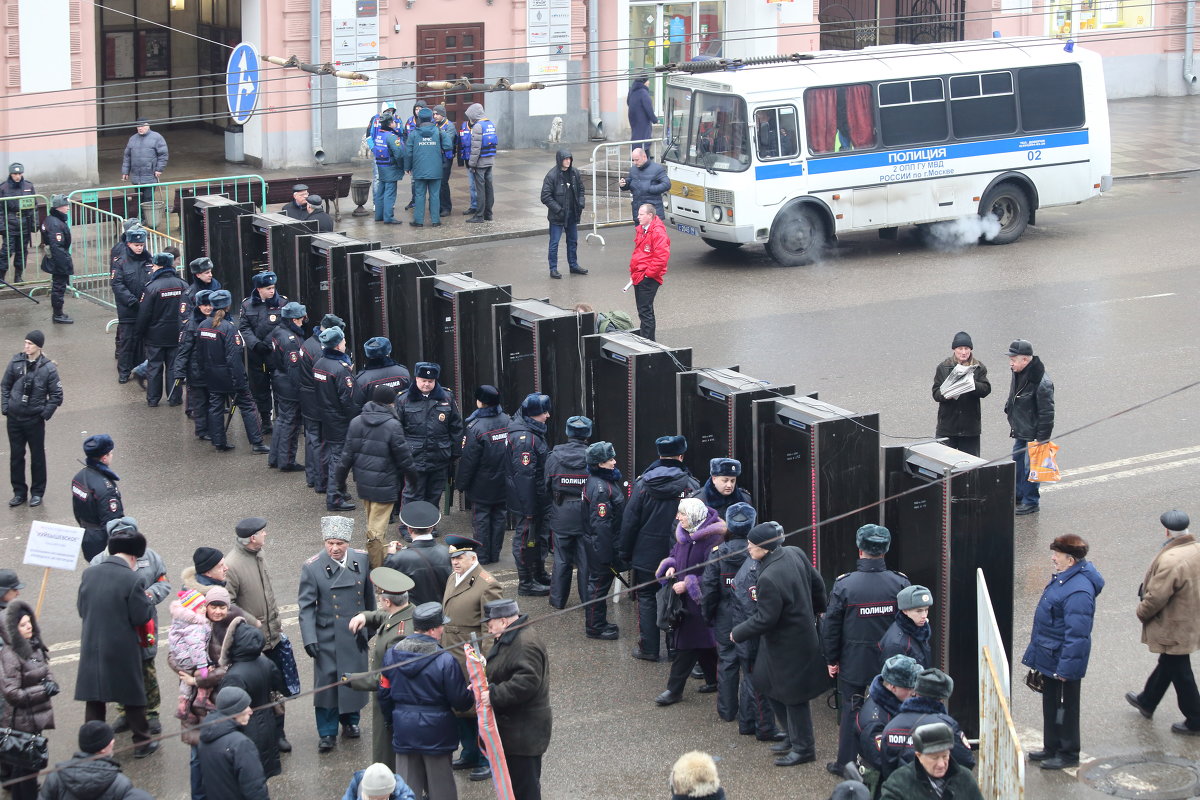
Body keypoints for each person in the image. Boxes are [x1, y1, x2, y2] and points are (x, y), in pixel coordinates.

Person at [730, 522, 828, 767]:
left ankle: (804, 748)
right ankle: (791, 737)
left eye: (752, 546)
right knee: (764, 682)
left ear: (765, 548)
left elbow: (765, 618)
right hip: (792, 639)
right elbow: (818, 584)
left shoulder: (769, 578)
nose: (748, 549)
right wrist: (816, 611)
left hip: (789, 645)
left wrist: (738, 633)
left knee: (794, 697)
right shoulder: (795, 552)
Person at [823, 524, 910, 775]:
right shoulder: (900, 583)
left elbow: (832, 627)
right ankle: (890, 760)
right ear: (885, 550)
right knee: (893, 708)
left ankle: (846, 764)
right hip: (891, 662)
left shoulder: (845, 585)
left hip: (854, 661)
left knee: (852, 710)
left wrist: (832, 659)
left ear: (860, 550)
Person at [1019, 533, 1104, 769]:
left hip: (1062, 662)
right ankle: (1052, 747)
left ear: (1071, 560)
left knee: (1064, 708)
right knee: (1051, 704)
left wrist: (1066, 669)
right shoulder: (1066, 579)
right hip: (1051, 656)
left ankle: (1068, 753)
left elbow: (1077, 636)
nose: (1053, 558)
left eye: (1056, 555)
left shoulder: (1078, 591)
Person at [74, 525, 158, 758]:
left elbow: (82, 609)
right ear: (133, 556)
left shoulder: (89, 573)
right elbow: (140, 616)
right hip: (122, 648)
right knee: (132, 695)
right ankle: (142, 742)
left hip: (92, 644)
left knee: (95, 697)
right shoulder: (132, 579)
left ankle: (94, 748)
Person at [379, 601, 473, 800]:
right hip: (437, 734)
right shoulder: (445, 660)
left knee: (406, 789)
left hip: (404, 730)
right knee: (442, 790)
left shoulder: (391, 655)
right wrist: (472, 692)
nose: (442, 630)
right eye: (441, 626)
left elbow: (384, 694)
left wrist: (393, 720)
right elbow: (460, 701)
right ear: (432, 630)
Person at [89, 517, 172, 738]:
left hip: (145, 624)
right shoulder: (99, 561)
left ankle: (152, 713)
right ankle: (125, 711)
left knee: (146, 668)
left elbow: (163, 583)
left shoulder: (151, 556)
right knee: (120, 671)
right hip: (116, 628)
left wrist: (149, 596)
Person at [619, 434, 700, 661]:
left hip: (646, 554)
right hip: (681, 554)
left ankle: (649, 648)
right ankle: (675, 648)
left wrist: (624, 553)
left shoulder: (643, 484)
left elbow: (630, 521)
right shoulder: (691, 485)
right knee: (676, 597)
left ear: (660, 455)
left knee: (646, 597)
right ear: (681, 456)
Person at [299, 516, 374, 753]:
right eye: (330, 543)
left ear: (347, 543)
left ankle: (351, 722)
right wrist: (309, 638)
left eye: (339, 543)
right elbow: (307, 607)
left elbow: (369, 598)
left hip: (354, 635)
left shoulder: (361, 559)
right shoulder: (312, 567)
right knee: (327, 686)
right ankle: (327, 732)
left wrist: (369, 628)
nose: (334, 548)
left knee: (352, 681)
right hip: (326, 637)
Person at [1127, 509, 1200, 736]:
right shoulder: (1195, 548)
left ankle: (1195, 718)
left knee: (1180, 669)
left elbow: (1157, 596)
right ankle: (1147, 700)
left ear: (1167, 530)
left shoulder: (1171, 559)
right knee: (1169, 661)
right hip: (1190, 619)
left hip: (1173, 624)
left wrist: (1142, 612)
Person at [225, 516, 293, 752]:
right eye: (263, 533)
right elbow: (228, 605)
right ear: (252, 538)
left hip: (272, 637)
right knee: (258, 694)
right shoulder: (231, 565)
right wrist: (253, 622)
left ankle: (279, 733)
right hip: (254, 644)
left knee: (276, 690)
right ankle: (262, 737)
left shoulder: (259, 554)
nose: (266, 535)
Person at [336, 384, 419, 568]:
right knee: (376, 532)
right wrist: (413, 480)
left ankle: (378, 560)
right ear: (391, 403)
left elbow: (345, 457)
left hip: (364, 485)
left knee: (372, 526)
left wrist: (339, 484)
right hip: (386, 485)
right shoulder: (393, 425)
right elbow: (404, 458)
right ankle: (377, 571)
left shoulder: (356, 422)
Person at [440, 534, 501, 781]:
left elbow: (490, 625)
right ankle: (469, 752)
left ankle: (487, 759)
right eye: (453, 557)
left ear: (472, 558)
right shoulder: (453, 577)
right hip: (451, 650)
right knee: (459, 707)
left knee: (478, 710)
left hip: (471, 655)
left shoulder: (487, 584)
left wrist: (484, 658)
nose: (455, 562)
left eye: (460, 557)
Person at [654, 498, 726, 705]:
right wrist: (672, 566)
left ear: (693, 515)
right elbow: (675, 555)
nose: (678, 518)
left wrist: (689, 584)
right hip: (686, 602)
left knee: (686, 646)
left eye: (682, 514)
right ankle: (714, 681)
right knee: (704, 644)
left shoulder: (714, 539)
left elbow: (716, 575)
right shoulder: (685, 534)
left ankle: (674, 690)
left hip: (700, 601)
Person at [482, 598, 552, 800]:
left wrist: (493, 695)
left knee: (525, 790)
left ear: (504, 622)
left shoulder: (524, 643)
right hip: (517, 731)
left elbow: (527, 683)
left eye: (490, 624)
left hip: (524, 734)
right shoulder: (512, 636)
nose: (488, 629)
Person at [347, 567, 417, 766]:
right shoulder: (406, 612)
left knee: (387, 753)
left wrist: (351, 680)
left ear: (387, 601)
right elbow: (384, 617)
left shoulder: (400, 635)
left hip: (392, 702)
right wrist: (365, 616)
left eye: (381, 598)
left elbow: (389, 678)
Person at [700, 502, 756, 724]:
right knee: (750, 665)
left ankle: (726, 711)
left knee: (727, 662)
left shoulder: (717, 553)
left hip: (724, 615)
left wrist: (708, 615)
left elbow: (709, 588)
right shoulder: (757, 552)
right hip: (751, 616)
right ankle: (749, 714)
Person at [197, 290, 269, 454]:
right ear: (228, 306)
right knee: (248, 406)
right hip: (230, 376)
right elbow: (234, 358)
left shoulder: (203, 325)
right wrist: (241, 381)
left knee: (215, 406)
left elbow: (199, 354)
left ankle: (219, 441)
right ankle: (257, 443)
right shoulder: (228, 328)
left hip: (212, 375)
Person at [0, 599, 56, 800]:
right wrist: (43, 691)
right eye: (23, 624)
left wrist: (50, 682)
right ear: (13, 629)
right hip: (21, 722)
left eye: (29, 622)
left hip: (34, 719)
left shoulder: (35, 646)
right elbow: (12, 693)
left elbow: (44, 670)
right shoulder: (10, 654)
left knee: (29, 769)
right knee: (24, 770)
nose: (29, 626)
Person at [218, 617, 285, 780]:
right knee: (264, 773)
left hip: (248, 729)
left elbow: (228, 710)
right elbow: (279, 684)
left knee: (250, 777)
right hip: (269, 723)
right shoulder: (265, 661)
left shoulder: (234, 675)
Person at [3, 330, 63, 508]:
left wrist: (44, 414)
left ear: (39, 346)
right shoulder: (16, 362)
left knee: (37, 456)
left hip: (33, 419)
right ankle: (19, 492)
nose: (26, 346)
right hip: (14, 418)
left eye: (30, 343)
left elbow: (57, 395)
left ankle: (37, 492)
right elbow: (5, 385)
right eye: (25, 342)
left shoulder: (48, 368)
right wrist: (6, 407)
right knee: (16, 456)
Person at [879, 668, 975, 779]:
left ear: (916, 691)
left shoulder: (892, 725)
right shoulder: (947, 726)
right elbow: (966, 761)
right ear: (943, 697)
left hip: (900, 791)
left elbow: (885, 765)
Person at [455, 385, 511, 565]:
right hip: (504, 481)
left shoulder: (475, 427)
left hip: (481, 483)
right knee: (499, 517)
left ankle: (483, 556)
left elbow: (468, 460)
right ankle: (495, 553)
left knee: (481, 520)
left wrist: (461, 483)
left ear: (480, 402)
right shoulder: (508, 421)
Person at [396, 362, 462, 509]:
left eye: (430, 381)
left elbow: (456, 426)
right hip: (414, 457)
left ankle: (429, 526)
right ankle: (409, 528)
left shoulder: (447, 397)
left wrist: (454, 452)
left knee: (434, 494)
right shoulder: (403, 399)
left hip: (440, 455)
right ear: (416, 379)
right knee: (413, 495)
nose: (426, 384)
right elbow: (397, 430)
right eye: (423, 381)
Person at [855, 654, 922, 794]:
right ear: (893, 687)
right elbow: (885, 762)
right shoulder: (875, 723)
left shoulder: (891, 703)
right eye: (910, 687)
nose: (914, 692)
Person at [507, 393, 554, 595]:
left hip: (536, 499)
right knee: (526, 539)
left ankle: (538, 572)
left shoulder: (531, 431)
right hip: (529, 501)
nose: (548, 415)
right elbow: (524, 476)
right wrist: (529, 509)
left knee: (538, 537)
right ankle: (526, 583)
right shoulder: (525, 439)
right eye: (543, 412)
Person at [545, 415, 593, 607]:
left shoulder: (554, 457)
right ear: (588, 434)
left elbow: (546, 485)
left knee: (561, 559)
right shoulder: (594, 456)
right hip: (585, 513)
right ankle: (587, 601)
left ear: (567, 432)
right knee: (585, 561)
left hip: (561, 512)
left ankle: (557, 600)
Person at [39, 721, 154, 800]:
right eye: (111, 742)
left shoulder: (55, 776)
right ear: (104, 749)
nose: (113, 744)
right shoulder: (119, 782)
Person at [580, 440, 625, 640]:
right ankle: (595, 627)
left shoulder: (601, 482)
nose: (614, 462)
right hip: (602, 546)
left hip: (600, 543)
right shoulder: (600, 489)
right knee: (598, 586)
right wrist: (606, 555)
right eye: (610, 459)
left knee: (598, 585)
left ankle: (598, 622)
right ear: (600, 464)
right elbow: (602, 525)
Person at [1004, 338, 1054, 515]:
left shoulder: (1041, 382)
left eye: (1013, 359)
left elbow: (1047, 413)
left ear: (1025, 360)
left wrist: (1042, 440)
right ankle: (1018, 495)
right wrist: (1008, 407)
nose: (1011, 363)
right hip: (1021, 429)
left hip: (1033, 433)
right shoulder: (1018, 371)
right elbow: (1015, 394)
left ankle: (1031, 501)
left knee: (1030, 467)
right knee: (1017, 463)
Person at [197, 687, 270, 800]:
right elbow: (254, 788)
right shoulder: (241, 744)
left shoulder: (205, 737)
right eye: (246, 707)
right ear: (235, 711)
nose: (251, 711)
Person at [314, 326, 358, 512]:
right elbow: (348, 399)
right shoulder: (340, 370)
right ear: (338, 345)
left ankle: (340, 491)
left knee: (334, 455)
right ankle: (334, 498)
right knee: (338, 460)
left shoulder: (319, 363)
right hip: (340, 420)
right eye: (343, 341)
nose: (345, 343)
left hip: (326, 416)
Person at [136, 252, 189, 407]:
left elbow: (144, 314)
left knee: (154, 368)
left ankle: (153, 399)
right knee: (174, 367)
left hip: (155, 336)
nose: (151, 267)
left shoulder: (152, 288)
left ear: (159, 265)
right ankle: (175, 398)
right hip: (177, 334)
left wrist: (139, 333)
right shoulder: (182, 285)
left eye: (153, 265)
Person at [879, 722, 984, 800]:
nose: (941, 764)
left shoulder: (965, 779)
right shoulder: (899, 783)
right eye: (934, 758)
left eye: (945, 756)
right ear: (918, 755)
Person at [239, 270, 289, 432]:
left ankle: (281, 419)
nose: (272, 291)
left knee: (280, 386)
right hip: (256, 354)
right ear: (259, 289)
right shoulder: (247, 304)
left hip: (274, 352)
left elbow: (284, 326)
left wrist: (267, 343)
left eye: (273, 287)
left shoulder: (282, 303)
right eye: (268, 288)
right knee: (259, 387)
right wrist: (255, 343)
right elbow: (244, 327)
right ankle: (266, 419)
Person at [300, 313, 344, 494]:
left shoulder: (308, 343)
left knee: (312, 439)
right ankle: (322, 481)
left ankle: (312, 477)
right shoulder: (322, 351)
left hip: (307, 397)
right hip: (319, 401)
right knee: (323, 443)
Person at [931, 331, 991, 456]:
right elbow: (936, 394)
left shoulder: (979, 367)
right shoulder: (943, 367)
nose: (964, 352)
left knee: (970, 469)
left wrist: (971, 384)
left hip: (970, 429)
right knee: (942, 467)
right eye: (960, 348)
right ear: (954, 349)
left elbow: (986, 390)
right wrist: (948, 394)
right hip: (947, 428)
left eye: (966, 348)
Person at [384, 501, 453, 605]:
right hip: (443, 612)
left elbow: (386, 582)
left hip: (415, 615)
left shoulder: (400, 558)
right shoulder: (447, 552)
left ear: (409, 529)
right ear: (432, 528)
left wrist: (390, 556)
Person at [266, 301, 308, 471]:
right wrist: (302, 389)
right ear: (292, 320)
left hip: (279, 380)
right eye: (299, 320)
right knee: (291, 422)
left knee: (282, 420)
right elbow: (294, 369)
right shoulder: (291, 340)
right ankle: (287, 460)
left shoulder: (278, 331)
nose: (302, 322)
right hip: (289, 385)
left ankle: (275, 457)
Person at [71, 434, 124, 560]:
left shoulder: (78, 477)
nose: (112, 455)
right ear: (104, 458)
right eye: (111, 453)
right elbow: (113, 523)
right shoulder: (106, 489)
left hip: (87, 535)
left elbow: (77, 511)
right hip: (103, 542)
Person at [110, 226, 152, 383]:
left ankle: (140, 368)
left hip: (145, 309)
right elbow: (117, 285)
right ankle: (124, 371)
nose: (140, 248)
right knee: (127, 341)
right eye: (136, 245)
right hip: (128, 310)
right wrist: (133, 302)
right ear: (129, 244)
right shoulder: (121, 262)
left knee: (143, 341)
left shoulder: (149, 260)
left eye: (141, 245)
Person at [540, 149, 587, 279]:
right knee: (554, 242)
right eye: (565, 159)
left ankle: (573, 265)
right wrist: (559, 210)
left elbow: (581, 189)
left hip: (572, 214)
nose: (568, 161)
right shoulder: (552, 175)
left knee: (573, 241)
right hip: (558, 216)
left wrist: (581, 202)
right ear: (560, 160)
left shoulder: (574, 173)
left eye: (569, 159)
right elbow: (545, 196)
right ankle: (553, 269)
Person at [176, 290, 216, 440]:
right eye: (204, 305)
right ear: (198, 306)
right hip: (196, 371)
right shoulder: (191, 325)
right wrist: (179, 372)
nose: (208, 308)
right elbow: (183, 350)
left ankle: (212, 429)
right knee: (200, 403)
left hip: (212, 369)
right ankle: (202, 430)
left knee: (213, 402)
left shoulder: (216, 320)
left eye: (210, 304)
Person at [627, 203, 671, 342]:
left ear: (650, 215)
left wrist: (648, 274)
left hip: (647, 277)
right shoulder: (643, 229)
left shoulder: (657, 232)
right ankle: (648, 341)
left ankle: (648, 343)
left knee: (645, 311)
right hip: (639, 275)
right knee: (645, 310)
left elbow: (661, 257)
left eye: (641, 214)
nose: (637, 217)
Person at [406, 106, 452, 228]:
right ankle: (436, 221)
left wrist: (407, 167)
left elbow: (408, 153)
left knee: (419, 195)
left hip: (419, 169)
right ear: (431, 118)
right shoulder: (438, 131)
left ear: (419, 118)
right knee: (435, 195)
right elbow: (448, 145)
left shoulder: (414, 134)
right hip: (436, 169)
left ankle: (418, 221)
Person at [39, 193, 75, 324]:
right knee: (59, 287)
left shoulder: (52, 220)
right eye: (66, 206)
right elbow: (57, 247)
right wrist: (64, 267)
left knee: (58, 286)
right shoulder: (55, 224)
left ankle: (58, 313)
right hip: (59, 260)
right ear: (59, 207)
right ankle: (58, 314)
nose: (68, 208)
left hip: (58, 259)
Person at [353, 336, 411, 414]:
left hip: (373, 422)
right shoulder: (403, 372)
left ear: (368, 353)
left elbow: (357, 407)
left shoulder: (362, 379)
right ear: (388, 351)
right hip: (399, 421)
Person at [879, 585, 933, 668]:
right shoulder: (896, 644)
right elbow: (893, 679)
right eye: (919, 611)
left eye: (926, 609)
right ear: (905, 611)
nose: (924, 615)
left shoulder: (920, 630)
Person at [0, 162, 35, 285]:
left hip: (24, 224)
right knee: (6, 252)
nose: (17, 176)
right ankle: (1, 277)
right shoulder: (3, 188)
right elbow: (0, 210)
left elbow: (33, 207)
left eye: (19, 173)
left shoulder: (28, 186)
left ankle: (18, 276)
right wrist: (2, 226)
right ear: (10, 174)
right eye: (15, 174)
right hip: (10, 224)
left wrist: (34, 224)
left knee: (22, 251)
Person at [465, 103, 497, 223]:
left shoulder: (478, 126)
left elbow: (475, 148)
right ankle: (489, 214)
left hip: (480, 162)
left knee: (480, 190)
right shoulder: (490, 124)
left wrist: (472, 164)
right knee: (489, 188)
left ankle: (479, 216)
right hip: (490, 160)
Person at [121, 119, 169, 200]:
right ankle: (141, 213)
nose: (140, 128)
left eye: (142, 126)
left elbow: (163, 155)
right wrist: (125, 172)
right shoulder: (133, 139)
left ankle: (149, 213)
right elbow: (127, 156)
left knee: (148, 198)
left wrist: (159, 169)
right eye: (138, 126)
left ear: (148, 126)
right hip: (136, 176)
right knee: (138, 198)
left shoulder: (157, 137)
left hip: (150, 175)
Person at [620, 147, 670, 220]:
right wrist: (624, 184)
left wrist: (650, 188)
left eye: (637, 160)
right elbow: (630, 182)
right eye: (633, 160)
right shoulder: (633, 169)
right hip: (638, 212)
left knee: (653, 231)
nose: (634, 162)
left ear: (644, 157)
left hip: (653, 212)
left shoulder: (657, 168)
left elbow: (667, 184)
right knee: (639, 231)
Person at [372, 116, 405, 225]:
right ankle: (388, 217)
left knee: (380, 192)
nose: (395, 123)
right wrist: (401, 166)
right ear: (390, 124)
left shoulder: (379, 135)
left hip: (381, 166)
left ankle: (379, 215)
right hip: (391, 168)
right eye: (394, 122)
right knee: (390, 193)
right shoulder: (392, 137)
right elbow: (399, 154)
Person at [340, 762, 417, 800]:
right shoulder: (358, 782)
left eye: (382, 799)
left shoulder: (401, 791)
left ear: (390, 792)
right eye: (372, 798)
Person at [433, 105, 457, 218]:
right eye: (434, 114)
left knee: (443, 183)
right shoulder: (435, 125)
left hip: (446, 157)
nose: (435, 116)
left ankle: (446, 207)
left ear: (443, 114)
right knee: (437, 183)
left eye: (437, 114)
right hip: (436, 157)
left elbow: (447, 141)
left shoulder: (449, 126)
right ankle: (438, 206)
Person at [627, 76, 658, 154]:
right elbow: (648, 108)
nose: (649, 82)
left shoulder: (632, 90)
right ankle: (642, 157)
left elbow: (628, 102)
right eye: (648, 80)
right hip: (642, 119)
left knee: (636, 137)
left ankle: (635, 155)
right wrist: (654, 119)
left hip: (633, 118)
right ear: (644, 82)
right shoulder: (643, 92)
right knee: (644, 139)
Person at [458, 119, 478, 216]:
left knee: (480, 185)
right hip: (468, 161)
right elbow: (460, 143)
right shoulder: (463, 125)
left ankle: (482, 207)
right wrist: (460, 160)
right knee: (471, 185)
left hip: (479, 162)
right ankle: (474, 206)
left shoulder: (480, 125)